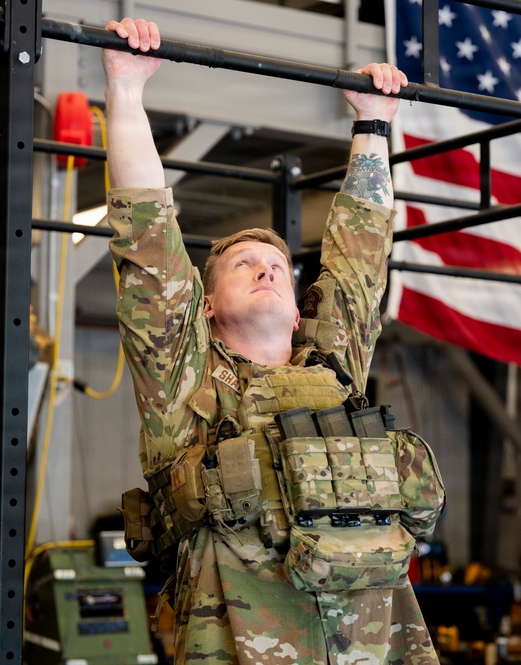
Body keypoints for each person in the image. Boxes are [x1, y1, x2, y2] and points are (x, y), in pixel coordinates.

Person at [103, 17, 441, 665]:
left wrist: (372, 123)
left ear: (298, 310)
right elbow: (147, 239)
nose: (264, 269)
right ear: (202, 306)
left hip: (372, 637)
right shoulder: (186, 378)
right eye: (242, 265)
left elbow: (360, 255)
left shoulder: (333, 372)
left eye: (277, 268)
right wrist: (124, 89)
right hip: (241, 639)